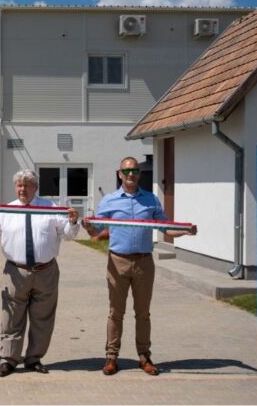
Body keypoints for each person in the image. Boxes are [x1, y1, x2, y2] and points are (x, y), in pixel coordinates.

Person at [82, 156, 197, 376]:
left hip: (144, 262)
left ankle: (144, 356)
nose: (130, 175)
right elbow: (96, 230)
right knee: (116, 313)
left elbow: (166, 228)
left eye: (134, 170)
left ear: (139, 174)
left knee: (143, 313)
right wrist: (88, 227)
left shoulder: (151, 200)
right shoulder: (109, 201)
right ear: (119, 174)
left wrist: (184, 230)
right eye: (126, 171)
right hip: (118, 261)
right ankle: (111, 357)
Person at [0, 169, 80, 377]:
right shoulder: (6, 210)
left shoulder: (51, 208)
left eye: (28, 185)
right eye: (19, 185)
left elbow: (67, 235)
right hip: (16, 271)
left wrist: (73, 222)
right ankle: (9, 359)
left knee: (43, 317)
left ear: (36, 188)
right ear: (15, 188)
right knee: (11, 317)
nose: (23, 189)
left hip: (46, 270)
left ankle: (34, 359)